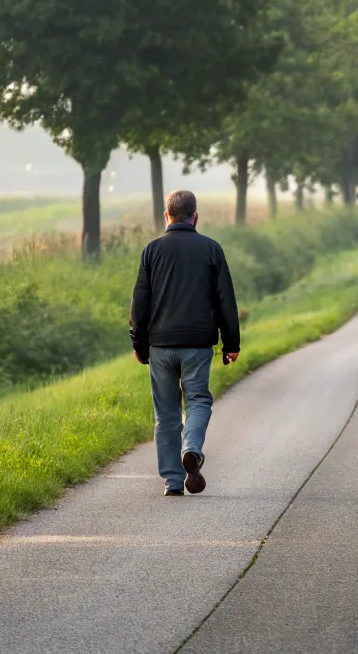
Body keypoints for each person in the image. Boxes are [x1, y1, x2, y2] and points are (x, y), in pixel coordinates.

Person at [129, 189, 240, 496]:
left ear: (167, 216)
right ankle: (192, 449)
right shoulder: (211, 249)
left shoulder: (152, 250)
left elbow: (140, 303)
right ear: (195, 217)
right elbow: (225, 301)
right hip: (197, 344)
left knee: (165, 414)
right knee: (198, 401)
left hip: (160, 346)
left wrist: (139, 344)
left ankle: (173, 481)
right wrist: (231, 343)